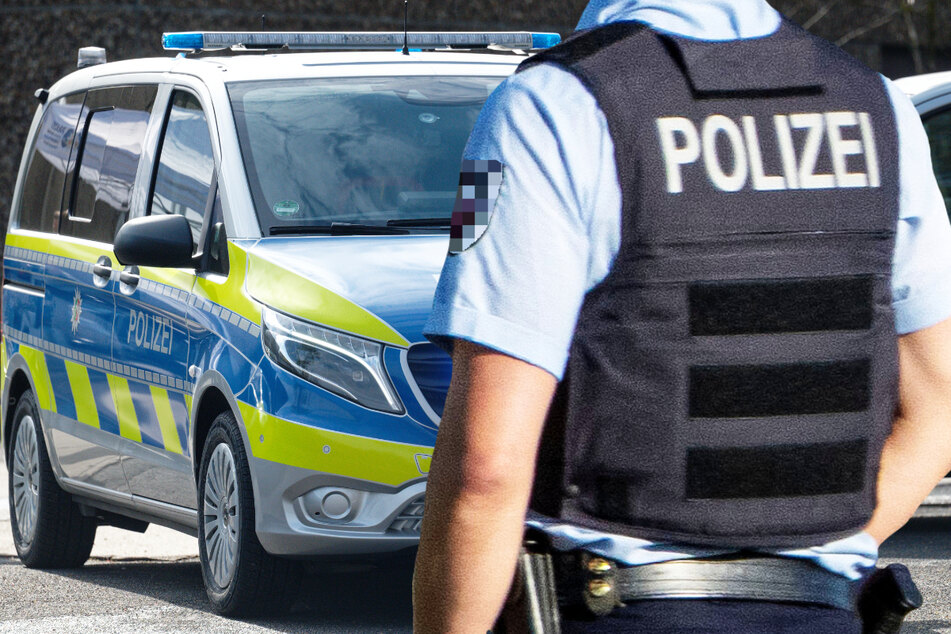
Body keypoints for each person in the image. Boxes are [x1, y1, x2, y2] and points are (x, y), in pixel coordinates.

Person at [413, 0, 951, 631]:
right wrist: (800, 563)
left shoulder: (543, 105)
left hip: (612, 608)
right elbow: (937, 415)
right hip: (822, 611)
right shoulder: (879, 107)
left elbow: (486, 468)